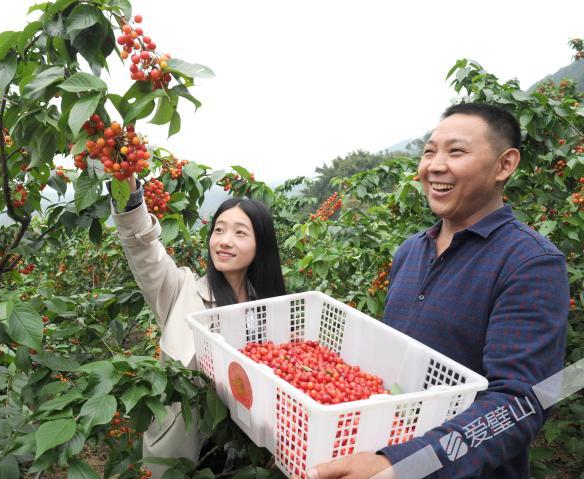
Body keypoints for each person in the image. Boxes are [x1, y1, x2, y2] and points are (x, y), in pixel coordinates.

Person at [306, 103, 570, 478]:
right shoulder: (410, 252)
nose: (434, 166)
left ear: (505, 165)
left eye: (456, 151)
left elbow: (518, 405)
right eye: (429, 151)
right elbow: (389, 374)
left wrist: (406, 463)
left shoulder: (529, 263)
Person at [110, 174, 287, 478]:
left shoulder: (273, 311)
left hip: (246, 455)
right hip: (184, 453)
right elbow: (144, 251)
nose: (225, 240)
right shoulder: (181, 291)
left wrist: (279, 445)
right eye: (219, 230)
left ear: (261, 245)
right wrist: (127, 190)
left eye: (240, 233)